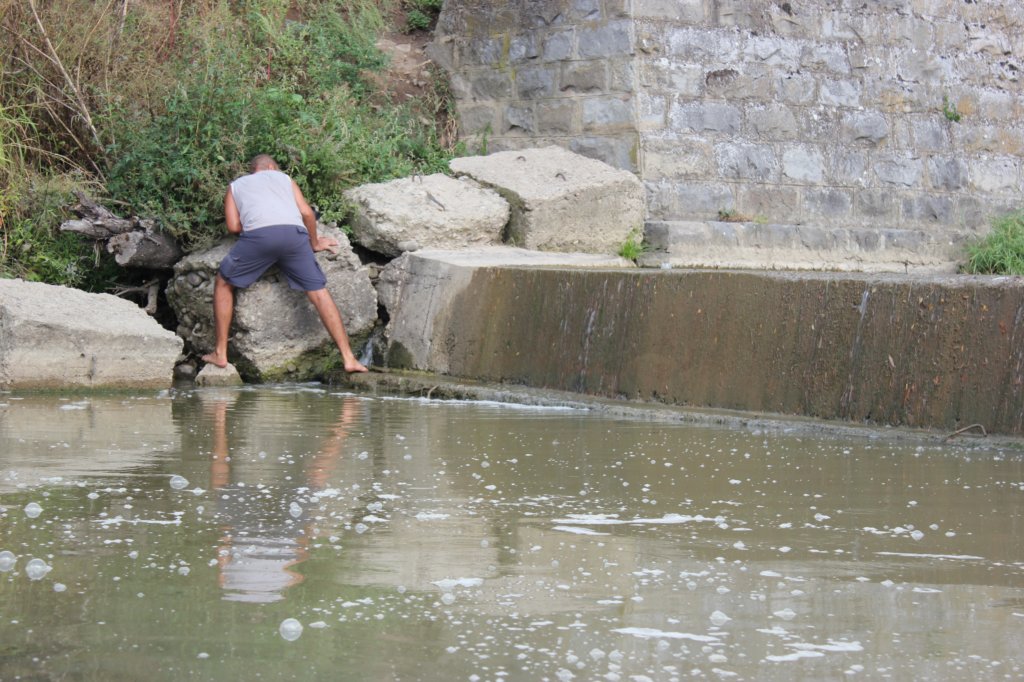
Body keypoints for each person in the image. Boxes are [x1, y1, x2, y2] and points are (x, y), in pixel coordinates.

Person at [201, 154, 367, 373]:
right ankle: (349, 358)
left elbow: (232, 226)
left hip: (259, 237)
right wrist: (315, 243)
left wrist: (257, 226)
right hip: (293, 235)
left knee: (223, 282)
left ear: (254, 169)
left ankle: (220, 353)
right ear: (272, 167)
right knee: (319, 292)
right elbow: (307, 213)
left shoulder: (236, 186)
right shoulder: (285, 179)